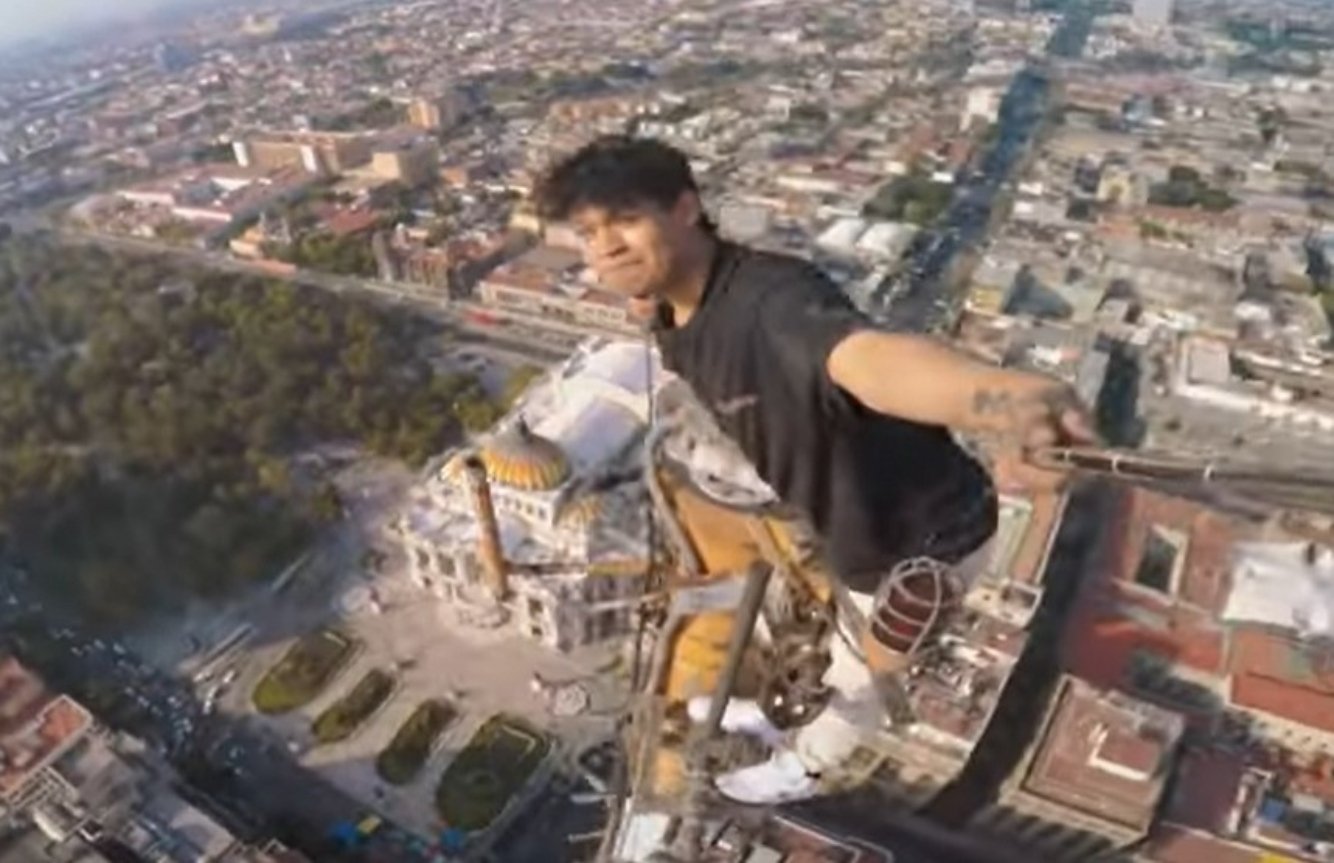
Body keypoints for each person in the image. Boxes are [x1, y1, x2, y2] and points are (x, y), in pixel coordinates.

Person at [536, 136, 1096, 802]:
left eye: (625, 219)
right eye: (587, 232)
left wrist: (1007, 399)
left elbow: (870, 362)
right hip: (852, 520)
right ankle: (770, 716)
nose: (605, 247)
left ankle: (804, 764)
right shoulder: (672, 303)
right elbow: (658, 307)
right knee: (836, 648)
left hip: (920, 542)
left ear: (686, 209)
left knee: (861, 682)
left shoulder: (772, 304)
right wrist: (640, 297)